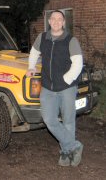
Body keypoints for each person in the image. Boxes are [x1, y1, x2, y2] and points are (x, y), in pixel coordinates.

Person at [26, 10, 84, 166]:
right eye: (54, 19)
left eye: (60, 19)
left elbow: (78, 64)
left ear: (64, 23)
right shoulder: (42, 38)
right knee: (49, 120)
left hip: (66, 87)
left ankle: (65, 152)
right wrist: (31, 67)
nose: (57, 22)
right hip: (47, 87)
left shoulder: (71, 40)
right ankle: (74, 146)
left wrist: (66, 79)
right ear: (49, 22)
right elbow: (33, 53)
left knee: (68, 121)